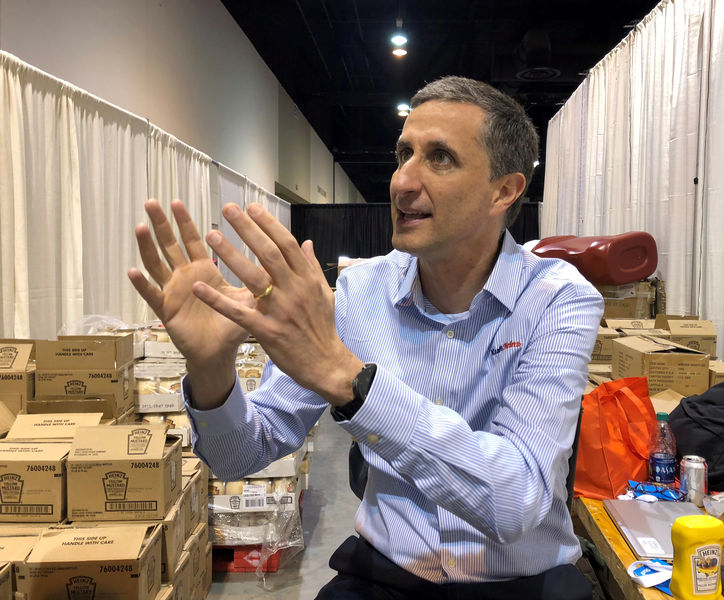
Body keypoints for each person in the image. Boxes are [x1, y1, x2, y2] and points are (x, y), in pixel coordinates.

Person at [129, 76, 603, 600]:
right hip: (386, 575)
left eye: (440, 157)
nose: (402, 181)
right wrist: (212, 368)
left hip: (524, 582)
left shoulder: (556, 299)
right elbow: (240, 454)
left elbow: (518, 501)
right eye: (404, 153)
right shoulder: (358, 291)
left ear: (504, 190)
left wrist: (352, 381)